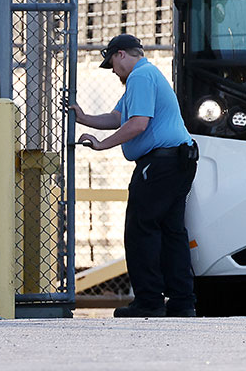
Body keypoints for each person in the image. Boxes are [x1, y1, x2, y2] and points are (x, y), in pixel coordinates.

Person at [71, 33, 199, 318]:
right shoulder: (145, 77)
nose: (113, 72)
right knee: (172, 231)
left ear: (121, 55)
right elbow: (119, 117)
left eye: (112, 65)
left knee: (141, 230)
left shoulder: (140, 78)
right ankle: (182, 300)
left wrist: (102, 144)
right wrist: (85, 118)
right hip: (178, 161)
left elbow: (138, 124)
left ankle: (149, 300)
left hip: (160, 164)